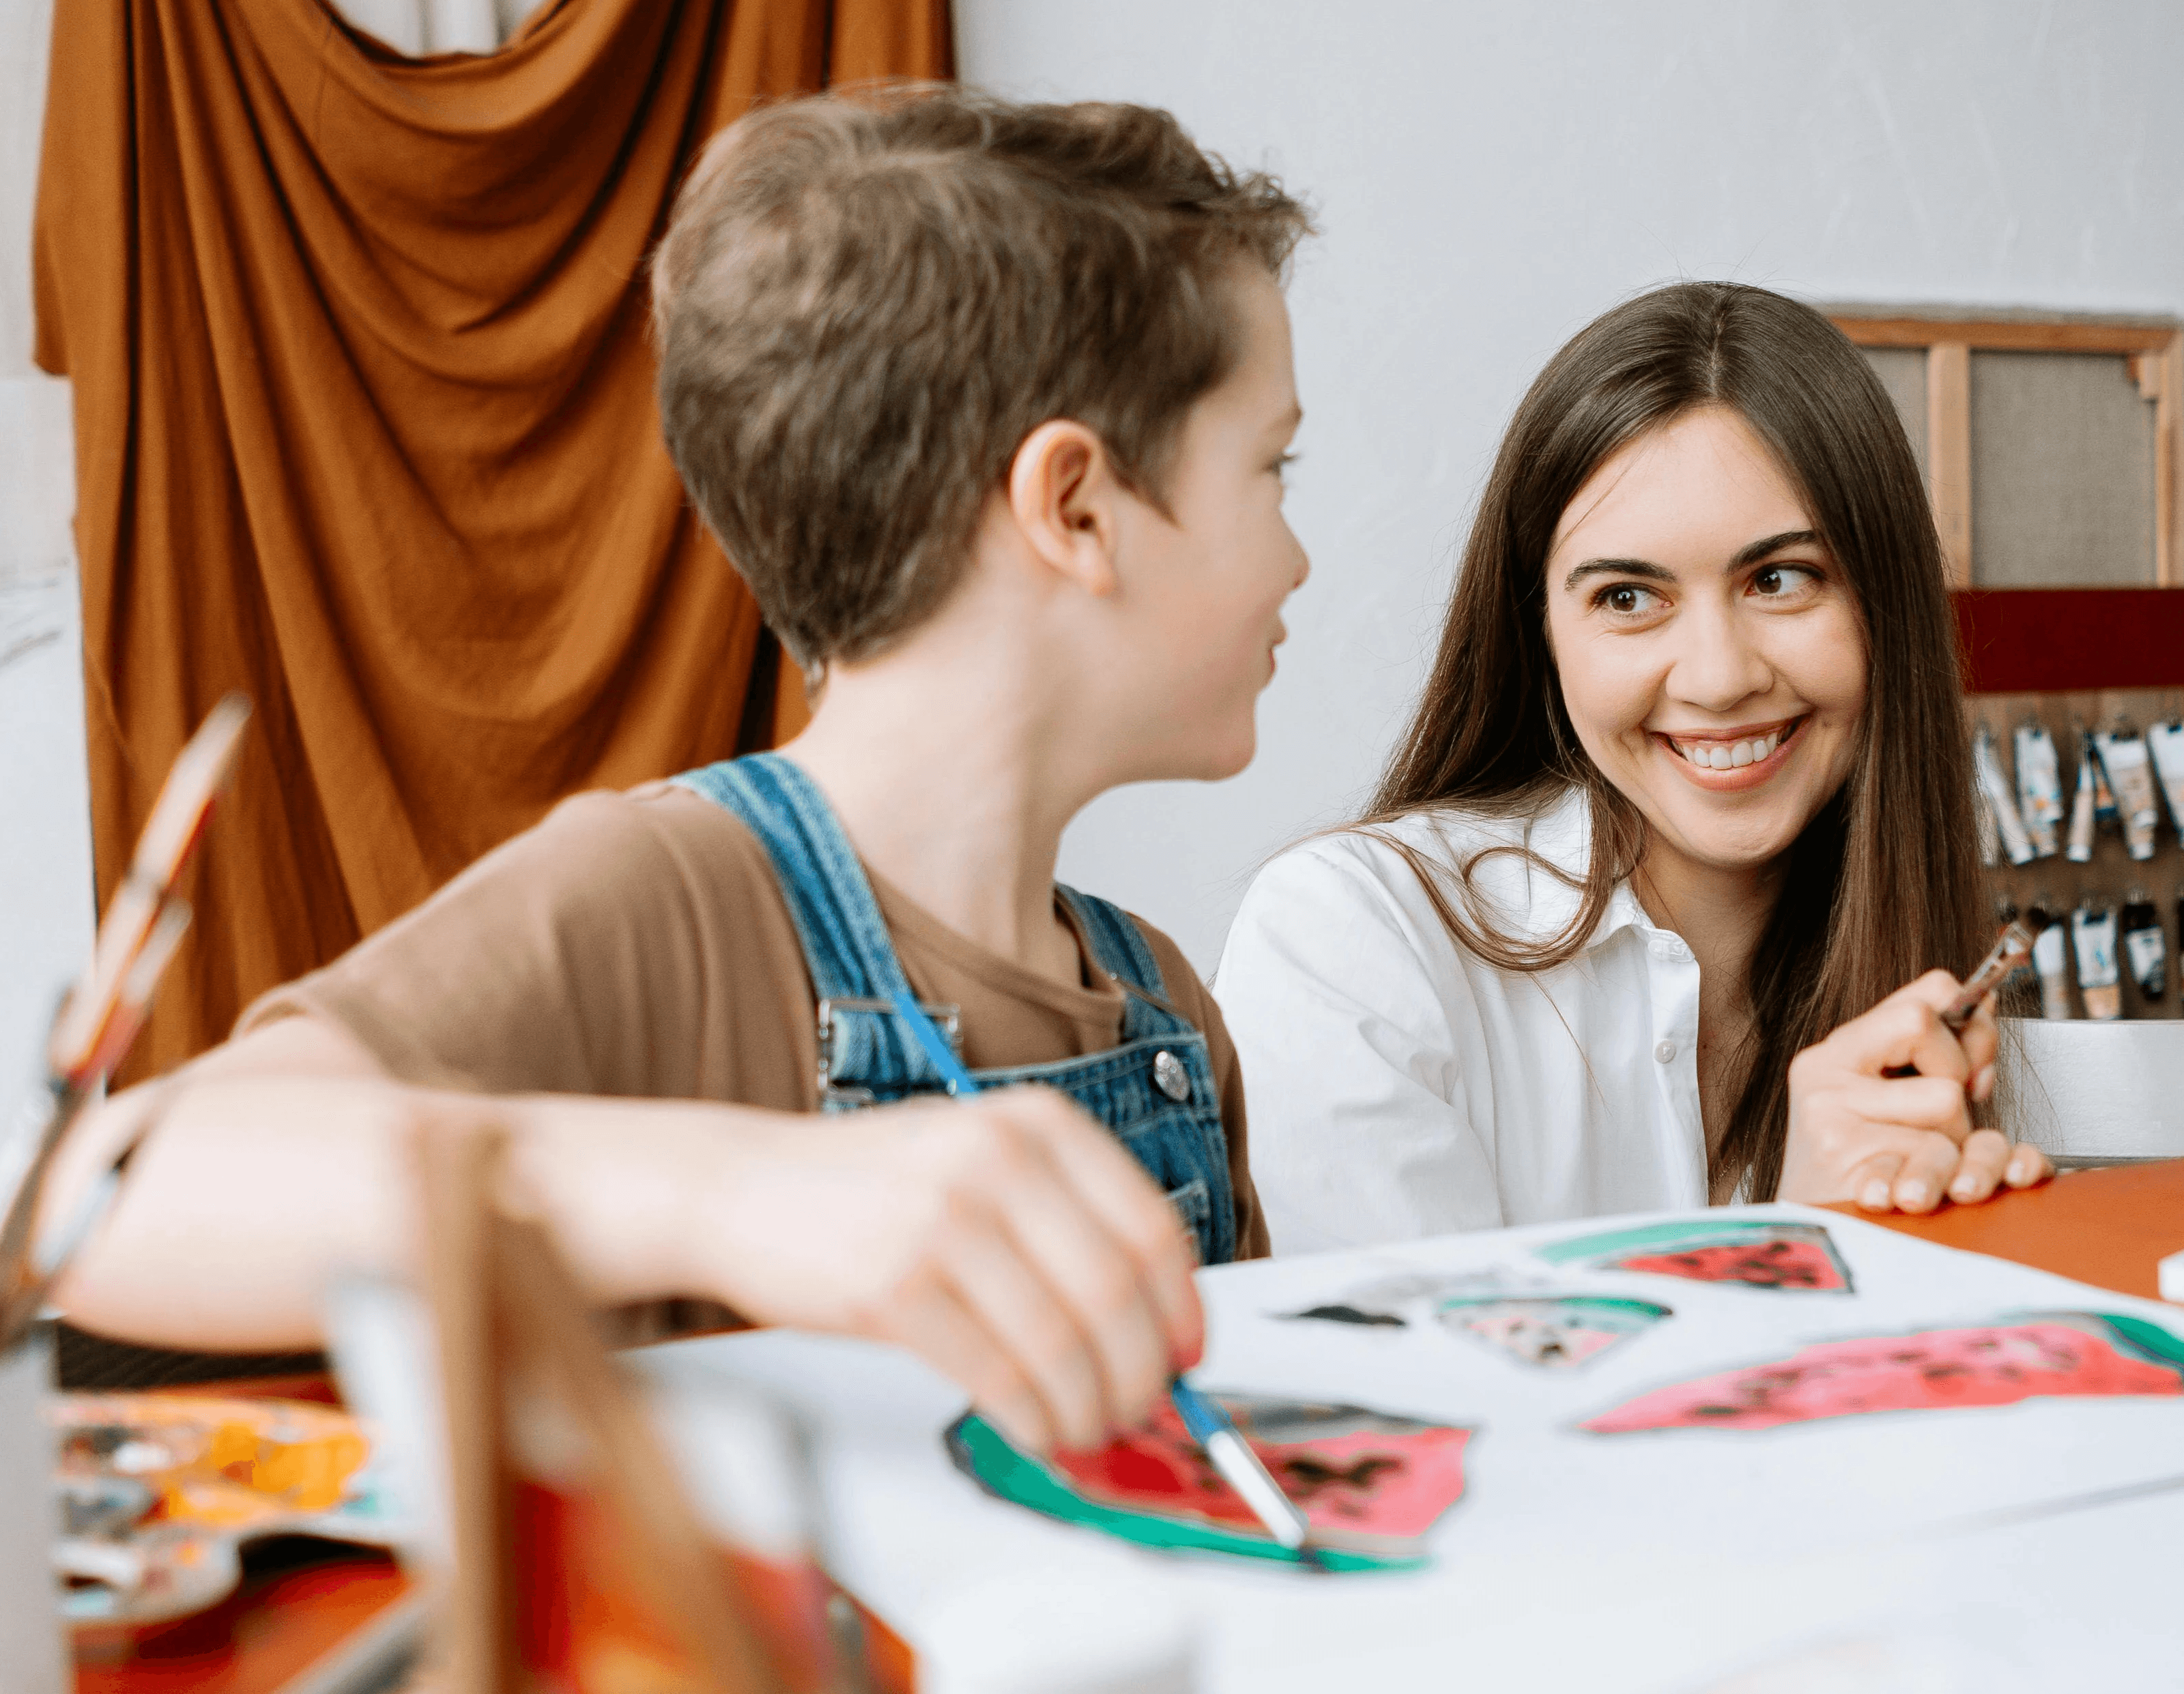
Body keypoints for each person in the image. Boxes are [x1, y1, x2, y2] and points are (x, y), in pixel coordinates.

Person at [46, 87, 1312, 1456]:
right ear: (1073, 506)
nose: (1296, 557)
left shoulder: (1163, 1005)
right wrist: (737, 1188)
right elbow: (102, 1195)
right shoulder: (663, 898)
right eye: (1270, 467)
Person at [1214, 282, 2052, 1254]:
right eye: (1626, 597)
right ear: (1543, 636)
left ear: (1886, 608)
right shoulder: (1351, 936)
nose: (1719, 676)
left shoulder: (1926, 985)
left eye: (1779, 579)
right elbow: (1418, 1404)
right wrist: (1797, 1250)